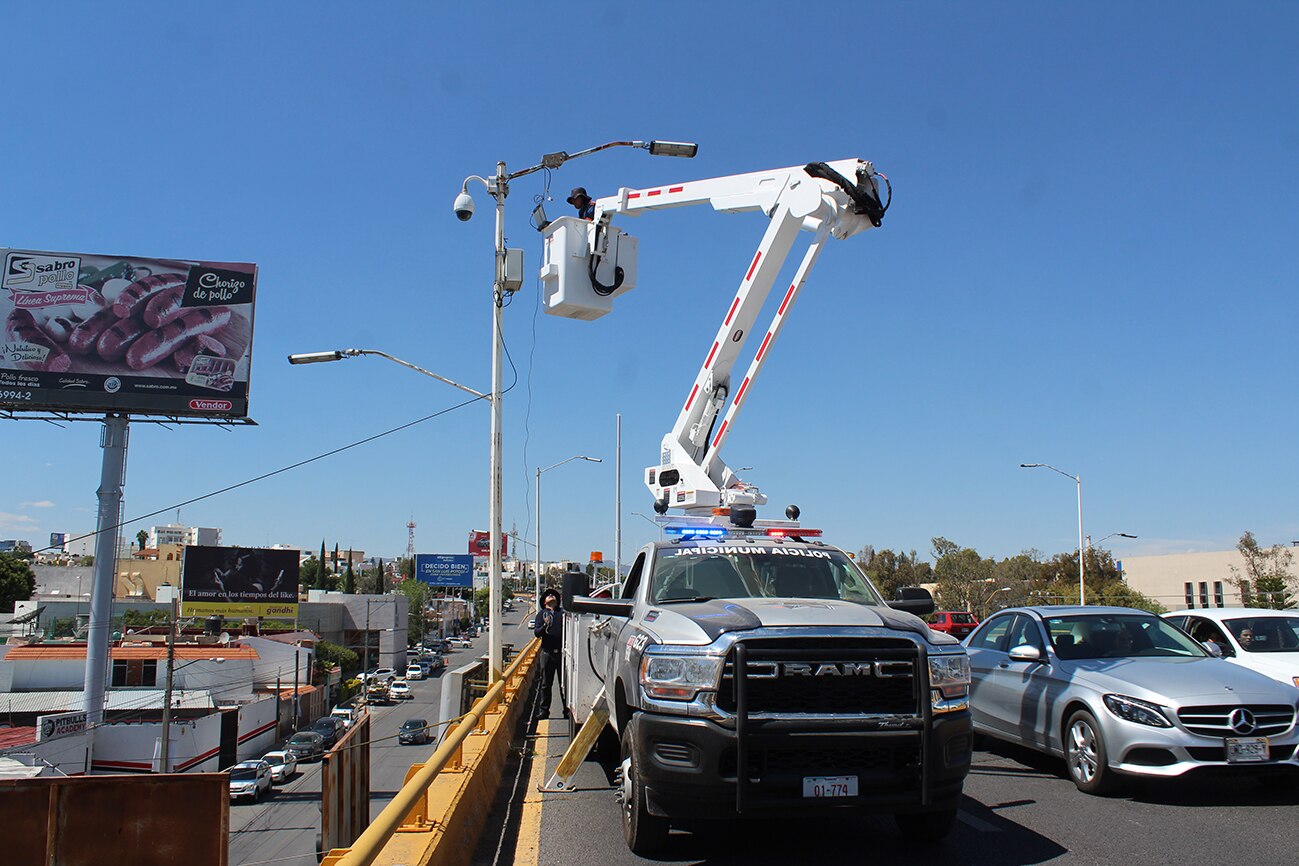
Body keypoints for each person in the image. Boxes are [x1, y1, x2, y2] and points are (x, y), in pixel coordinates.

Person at [533, 588, 568, 719]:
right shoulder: (541, 614)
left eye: (553, 594)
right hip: (547, 653)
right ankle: (544, 711)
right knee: (545, 683)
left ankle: (566, 710)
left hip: (562, 653)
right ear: (544, 601)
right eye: (548, 595)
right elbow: (536, 633)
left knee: (564, 683)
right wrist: (544, 626)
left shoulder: (563, 614)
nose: (551, 595)